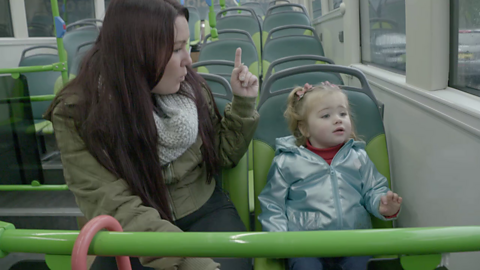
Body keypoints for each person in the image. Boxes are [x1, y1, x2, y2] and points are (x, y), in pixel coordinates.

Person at [44, 0, 259, 269]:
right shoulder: (78, 112)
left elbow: (223, 154)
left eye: (187, 45)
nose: (189, 61)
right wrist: (187, 258)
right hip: (131, 229)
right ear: (138, 53)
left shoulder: (193, 89)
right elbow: (110, 201)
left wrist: (242, 105)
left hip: (204, 210)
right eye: (177, 49)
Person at [257, 82, 402, 270]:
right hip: (305, 245)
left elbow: (372, 190)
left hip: (354, 242)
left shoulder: (358, 157)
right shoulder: (288, 162)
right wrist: (279, 239)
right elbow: (273, 204)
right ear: (304, 129)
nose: (338, 120)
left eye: (343, 114)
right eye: (326, 115)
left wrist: (382, 204)